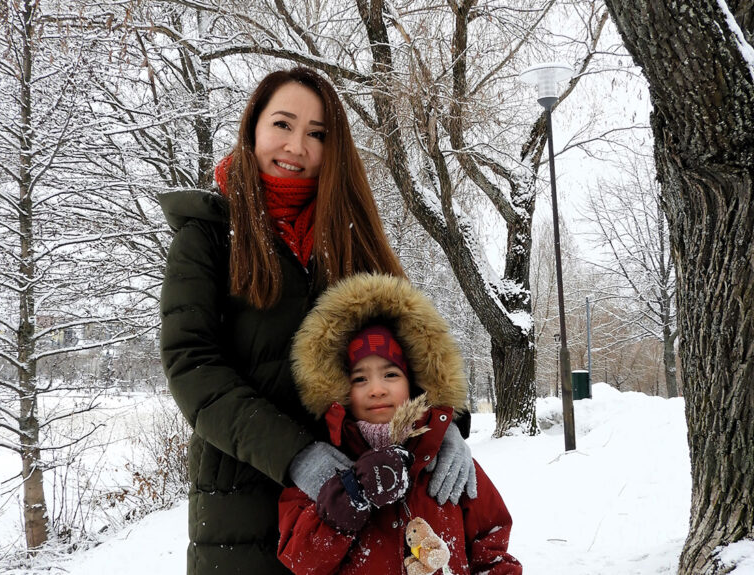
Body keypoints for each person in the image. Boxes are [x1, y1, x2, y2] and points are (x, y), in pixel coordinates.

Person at [158, 67, 476, 574]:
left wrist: (445, 422)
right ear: (253, 129)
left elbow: (415, 342)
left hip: (361, 506)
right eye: (283, 124)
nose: (296, 146)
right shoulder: (208, 238)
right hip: (244, 510)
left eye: (317, 134)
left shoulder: (353, 237)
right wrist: (297, 456)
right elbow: (192, 367)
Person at [277, 273, 522, 574]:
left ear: (413, 382)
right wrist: (345, 500)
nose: (377, 388)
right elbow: (301, 560)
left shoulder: (445, 459)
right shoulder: (324, 468)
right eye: (360, 378)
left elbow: (491, 545)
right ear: (340, 389)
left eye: (390, 374)